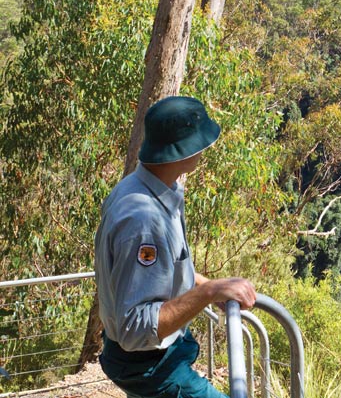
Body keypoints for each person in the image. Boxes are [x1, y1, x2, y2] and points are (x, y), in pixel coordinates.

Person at [95, 95, 257, 398]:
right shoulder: (144, 220)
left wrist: (210, 286)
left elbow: (169, 267)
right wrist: (207, 293)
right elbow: (134, 329)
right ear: (183, 151)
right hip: (148, 366)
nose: (206, 149)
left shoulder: (143, 189)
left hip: (152, 356)